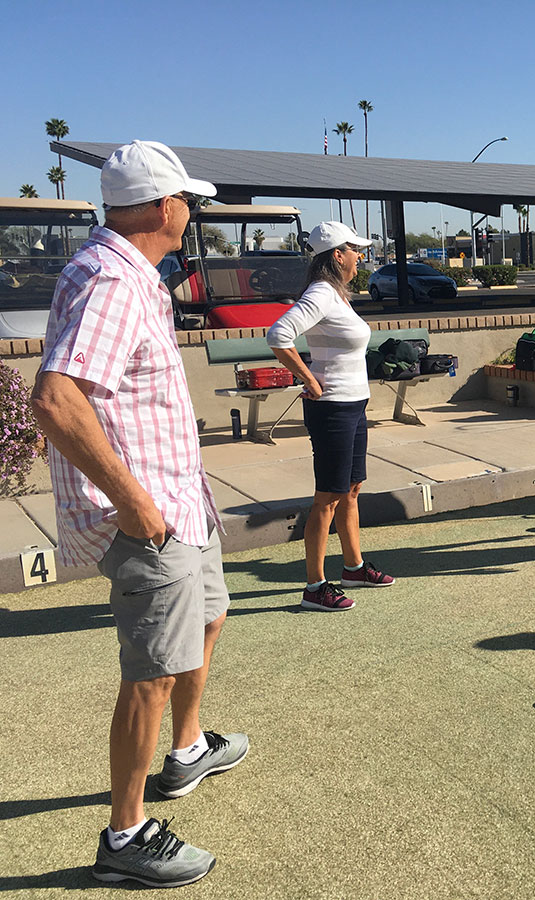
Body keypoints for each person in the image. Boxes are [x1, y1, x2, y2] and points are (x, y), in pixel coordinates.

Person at [31, 140, 246, 888]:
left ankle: (185, 752)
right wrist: (135, 503)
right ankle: (123, 838)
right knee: (150, 672)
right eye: (188, 200)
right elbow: (57, 400)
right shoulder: (112, 282)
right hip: (151, 514)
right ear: (164, 206)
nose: (192, 213)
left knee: (209, 618)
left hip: (182, 505)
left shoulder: (129, 273)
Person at [267, 220, 395, 611]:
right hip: (332, 409)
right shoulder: (321, 293)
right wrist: (309, 378)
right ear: (337, 255)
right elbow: (278, 335)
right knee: (328, 497)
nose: (360, 255)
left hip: (354, 404)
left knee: (352, 489)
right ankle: (314, 587)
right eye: (354, 249)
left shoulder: (338, 296)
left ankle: (353, 567)